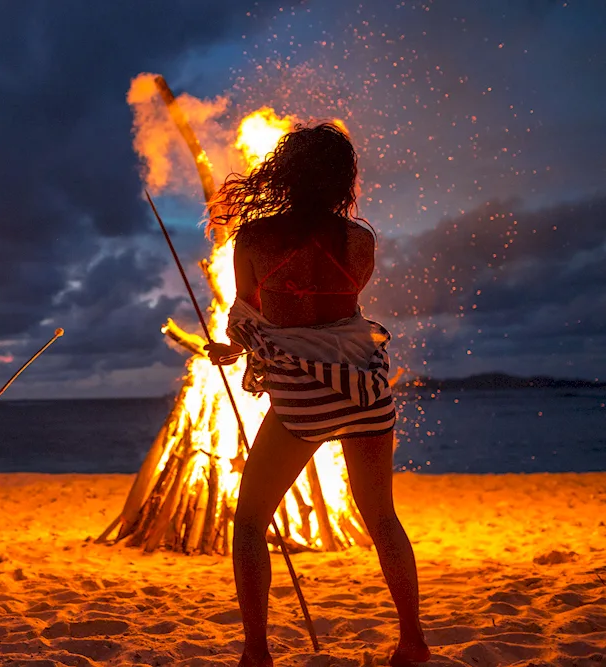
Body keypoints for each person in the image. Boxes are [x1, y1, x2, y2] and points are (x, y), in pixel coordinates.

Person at [203, 124, 430, 667]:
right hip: (365, 385)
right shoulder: (360, 241)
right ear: (342, 181)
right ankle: (413, 641)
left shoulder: (254, 239)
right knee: (383, 518)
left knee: (252, 521)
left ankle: (256, 651)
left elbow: (249, 314)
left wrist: (234, 347)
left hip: (306, 397)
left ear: (284, 171)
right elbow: (340, 310)